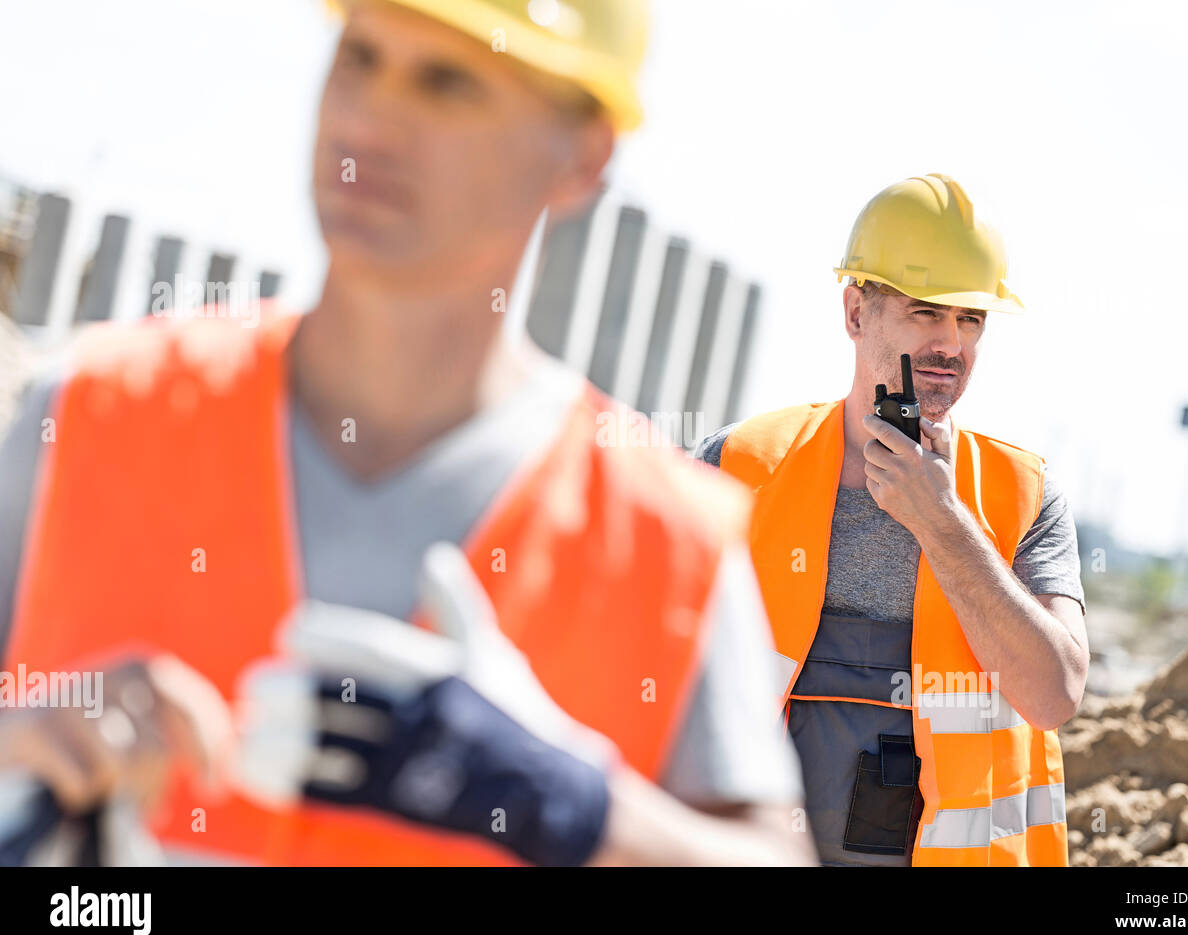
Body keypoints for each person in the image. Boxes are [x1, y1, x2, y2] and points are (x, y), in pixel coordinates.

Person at [0, 0, 813, 866]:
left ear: (583, 155)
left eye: (446, 80)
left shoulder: (667, 540)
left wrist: (571, 800)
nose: (368, 118)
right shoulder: (84, 414)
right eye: (360, 55)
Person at [694, 173, 1089, 866]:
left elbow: (1055, 694)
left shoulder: (1022, 494)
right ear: (856, 312)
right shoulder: (738, 465)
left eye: (971, 320)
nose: (951, 345)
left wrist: (940, 520)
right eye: (925, 313)